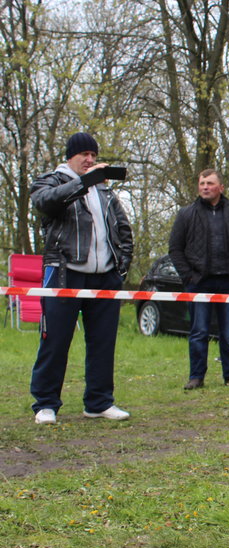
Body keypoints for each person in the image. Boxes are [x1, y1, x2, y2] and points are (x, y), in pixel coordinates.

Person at [29, 132, 134, 425]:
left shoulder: (104, 191)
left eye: (93, 155)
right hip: (63, 274)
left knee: (102, 343)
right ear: (69, 157)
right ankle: (46, 404)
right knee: (55, 341)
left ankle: (99, 402)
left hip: (104, 279)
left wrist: (120, 267)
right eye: (83, 155)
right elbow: (44, 203)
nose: (89, 160)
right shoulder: (51, 181)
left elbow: (123, 230)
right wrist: (84, 182)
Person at [168, 169, 229, 390]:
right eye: (202, 183)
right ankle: (196, 376)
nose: (205, 186)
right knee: (199, 331)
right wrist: (188, 277)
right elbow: (175, 249)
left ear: (221, 187)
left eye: (210, 183)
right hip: (199, 282)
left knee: (228, 332)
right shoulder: (186, 214)